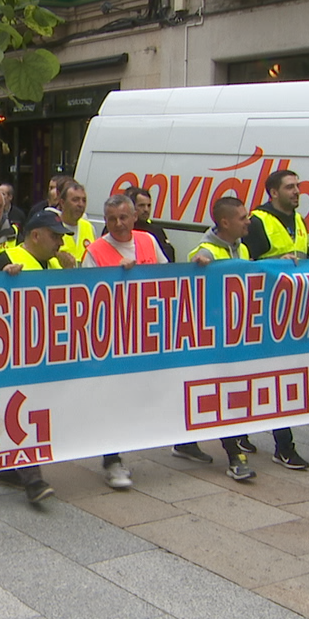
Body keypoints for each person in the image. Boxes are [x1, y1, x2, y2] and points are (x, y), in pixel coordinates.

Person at [82, 194, 175, 488]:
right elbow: (87, 295)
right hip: (113, 336)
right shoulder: (96, 252)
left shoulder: (148, 241)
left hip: (147, 332)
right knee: (112, 398)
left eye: (123, 217)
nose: (118, 224)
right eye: (111, 219)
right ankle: (112, 460)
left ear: (135, 217)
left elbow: (167, 276)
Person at [0, 209, 73, 503]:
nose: (60, 243)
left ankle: (10, 470)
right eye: (55, 236)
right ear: (35, 235)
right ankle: (32, 479)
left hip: (40, 355)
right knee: (21, 412)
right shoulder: (5, 261)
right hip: (11, 357)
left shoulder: (52, 264)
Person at [184, 196, 259, 481]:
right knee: (227, 396)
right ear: (225, 222)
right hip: (214, 340)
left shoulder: (241, 248)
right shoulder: (206, 253)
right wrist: (198, 269)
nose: (248, 221)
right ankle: (235, 455)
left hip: (235, 335)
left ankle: (184, 441)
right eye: (242, 217)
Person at [242, 169, 309, 470]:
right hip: (263, 314)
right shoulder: (258, 222)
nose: (297, 192)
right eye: (290, 187)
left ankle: (240, 432)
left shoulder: (298, 220)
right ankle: (284, 446)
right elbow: (245, 266)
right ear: (273, 193)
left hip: (290, 312)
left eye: (298, 187)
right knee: (272, 378)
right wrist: (274, 265)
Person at [123, 187, 176, 262]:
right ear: (131, 207)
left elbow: (169, 258)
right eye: (141, 205)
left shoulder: (156, 231)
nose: (146, 209)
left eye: (149, 205)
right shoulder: (120, 228)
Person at [54, 181, 95, 268]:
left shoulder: (89, 227)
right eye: (75, 200)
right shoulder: (52, 227)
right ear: (62, 203)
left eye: (84, 200)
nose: (81, 204)